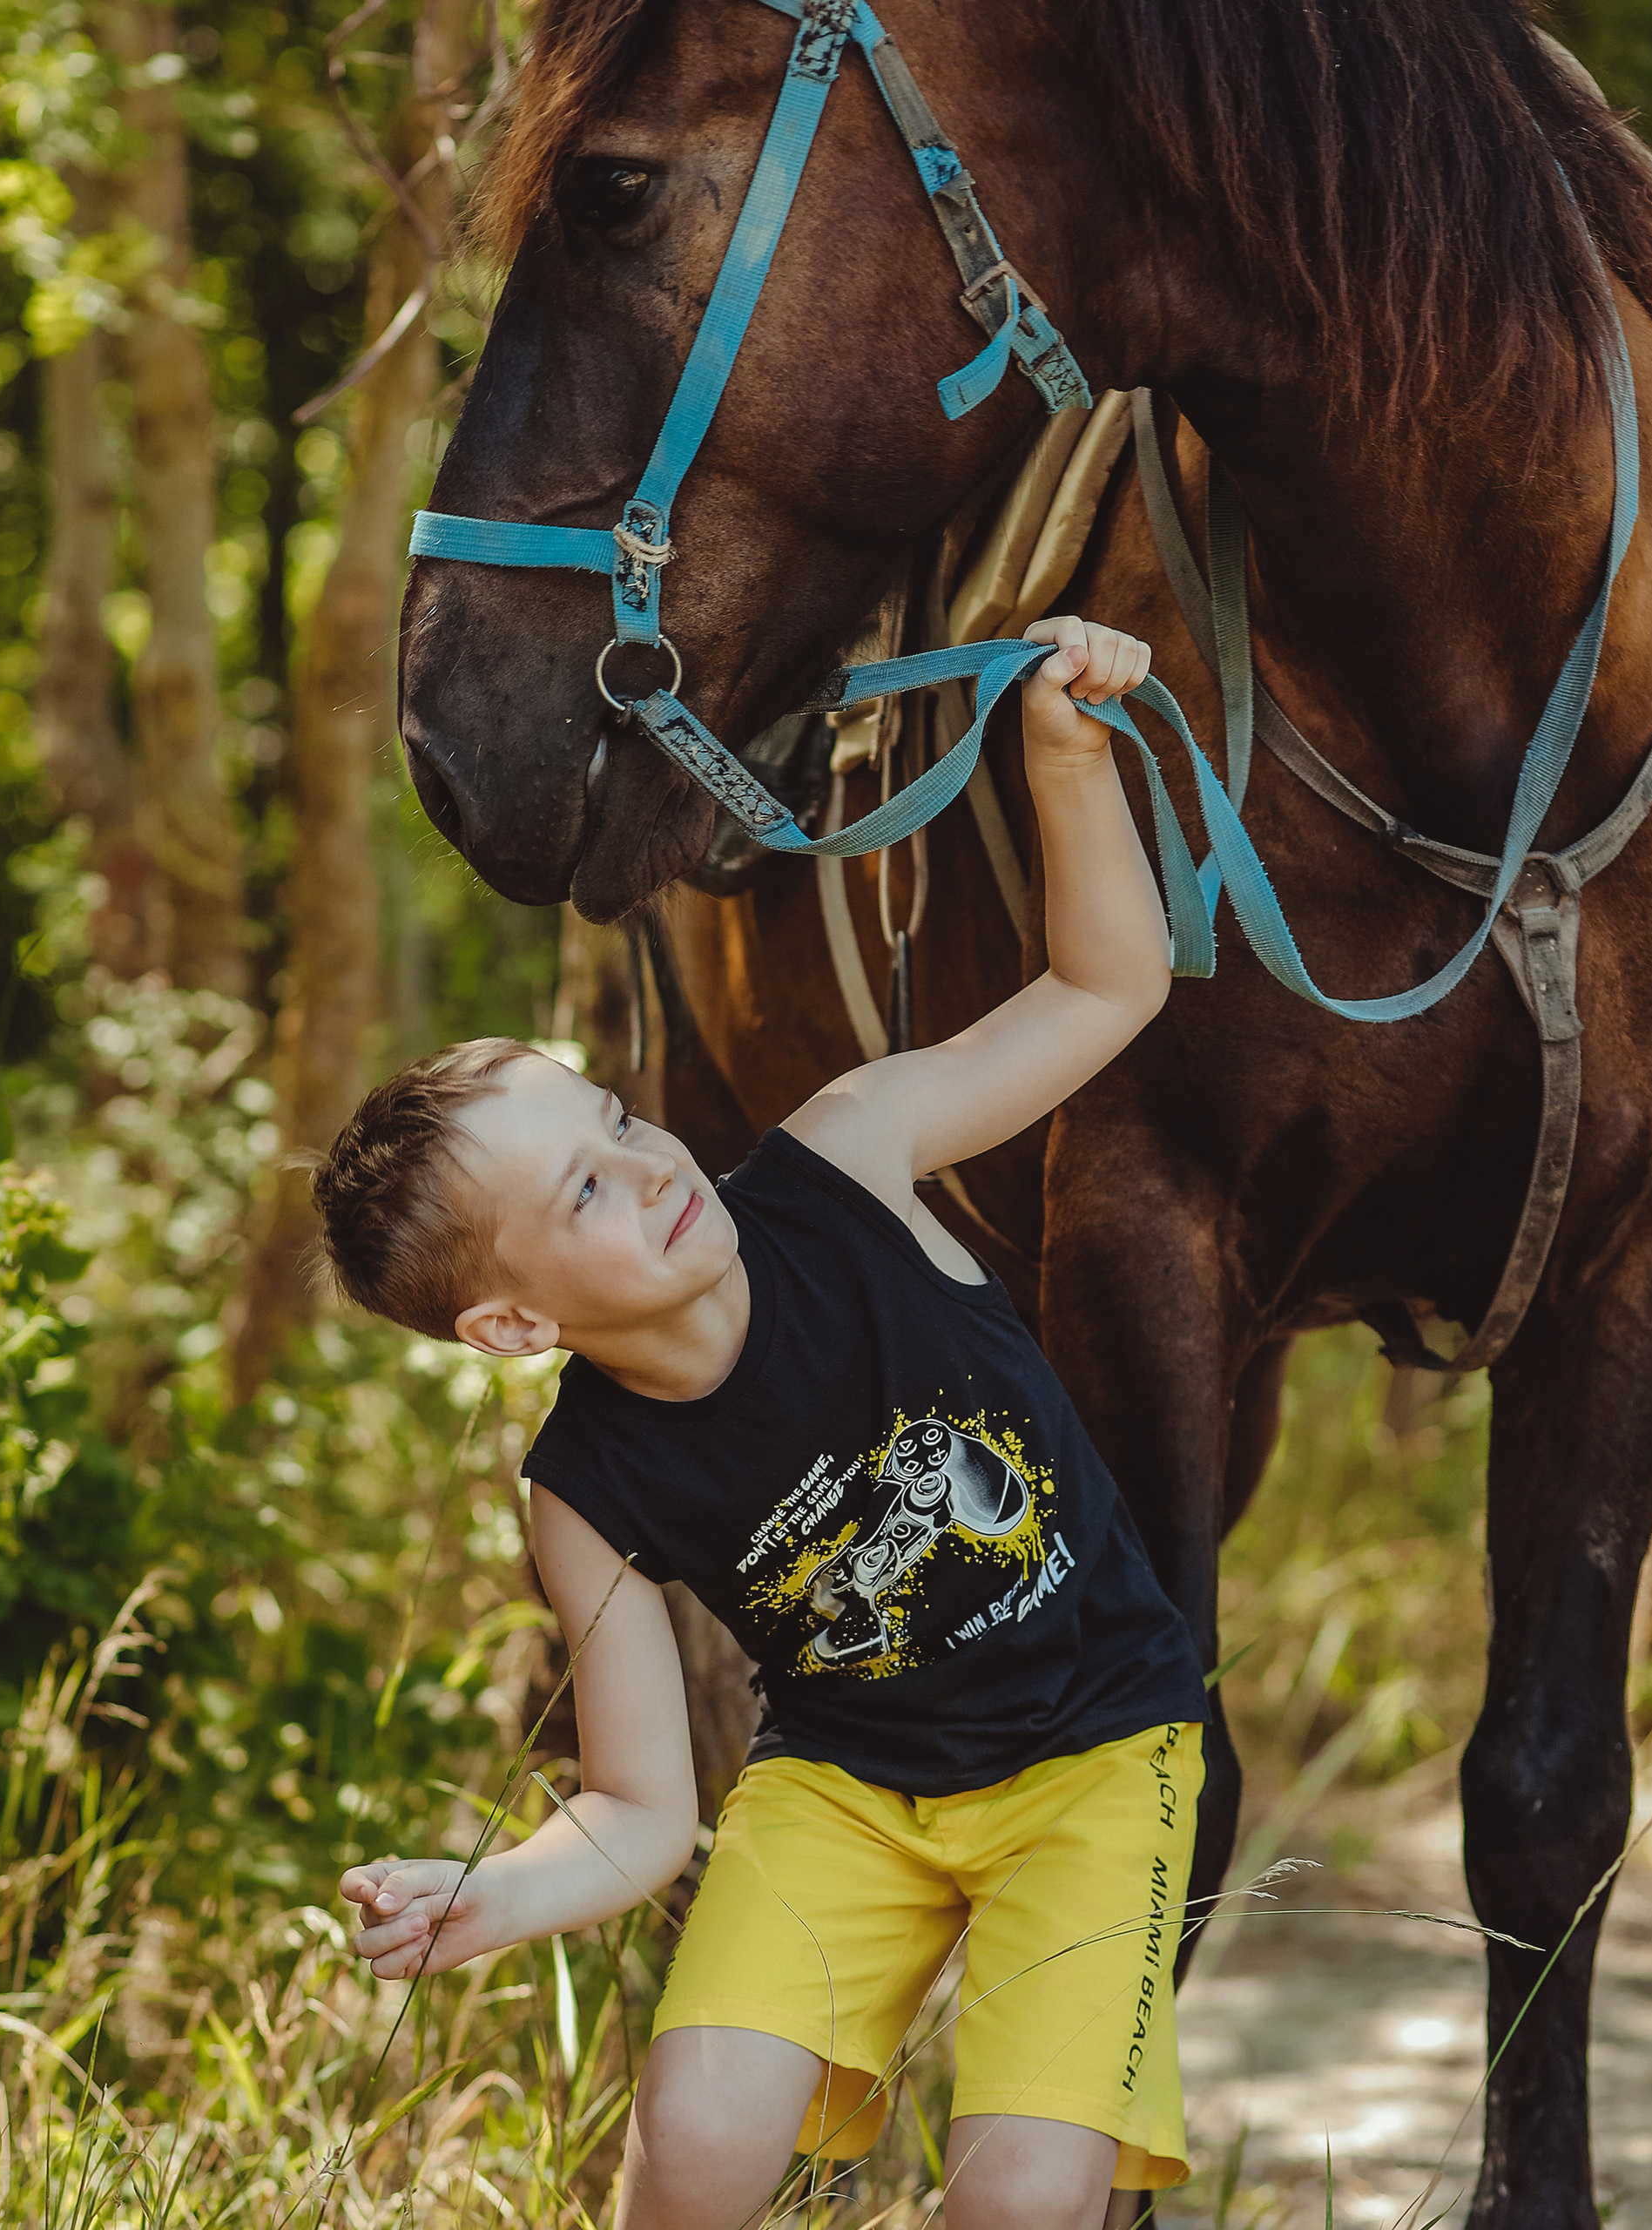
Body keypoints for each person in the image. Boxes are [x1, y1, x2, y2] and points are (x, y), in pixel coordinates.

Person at [319, 617, 1207, 2230]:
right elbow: (641, 1808)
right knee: (698, 2139)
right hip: (847, 1791)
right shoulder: (584, 1488)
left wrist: (1065, 756)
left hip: (1099, 1757)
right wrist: (495, 1894)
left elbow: (1107, 985)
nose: (650, 1164)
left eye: (618, 1120)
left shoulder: (846, 1159)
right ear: (511, 1325)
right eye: (584, 1191)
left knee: (1018, 2204)